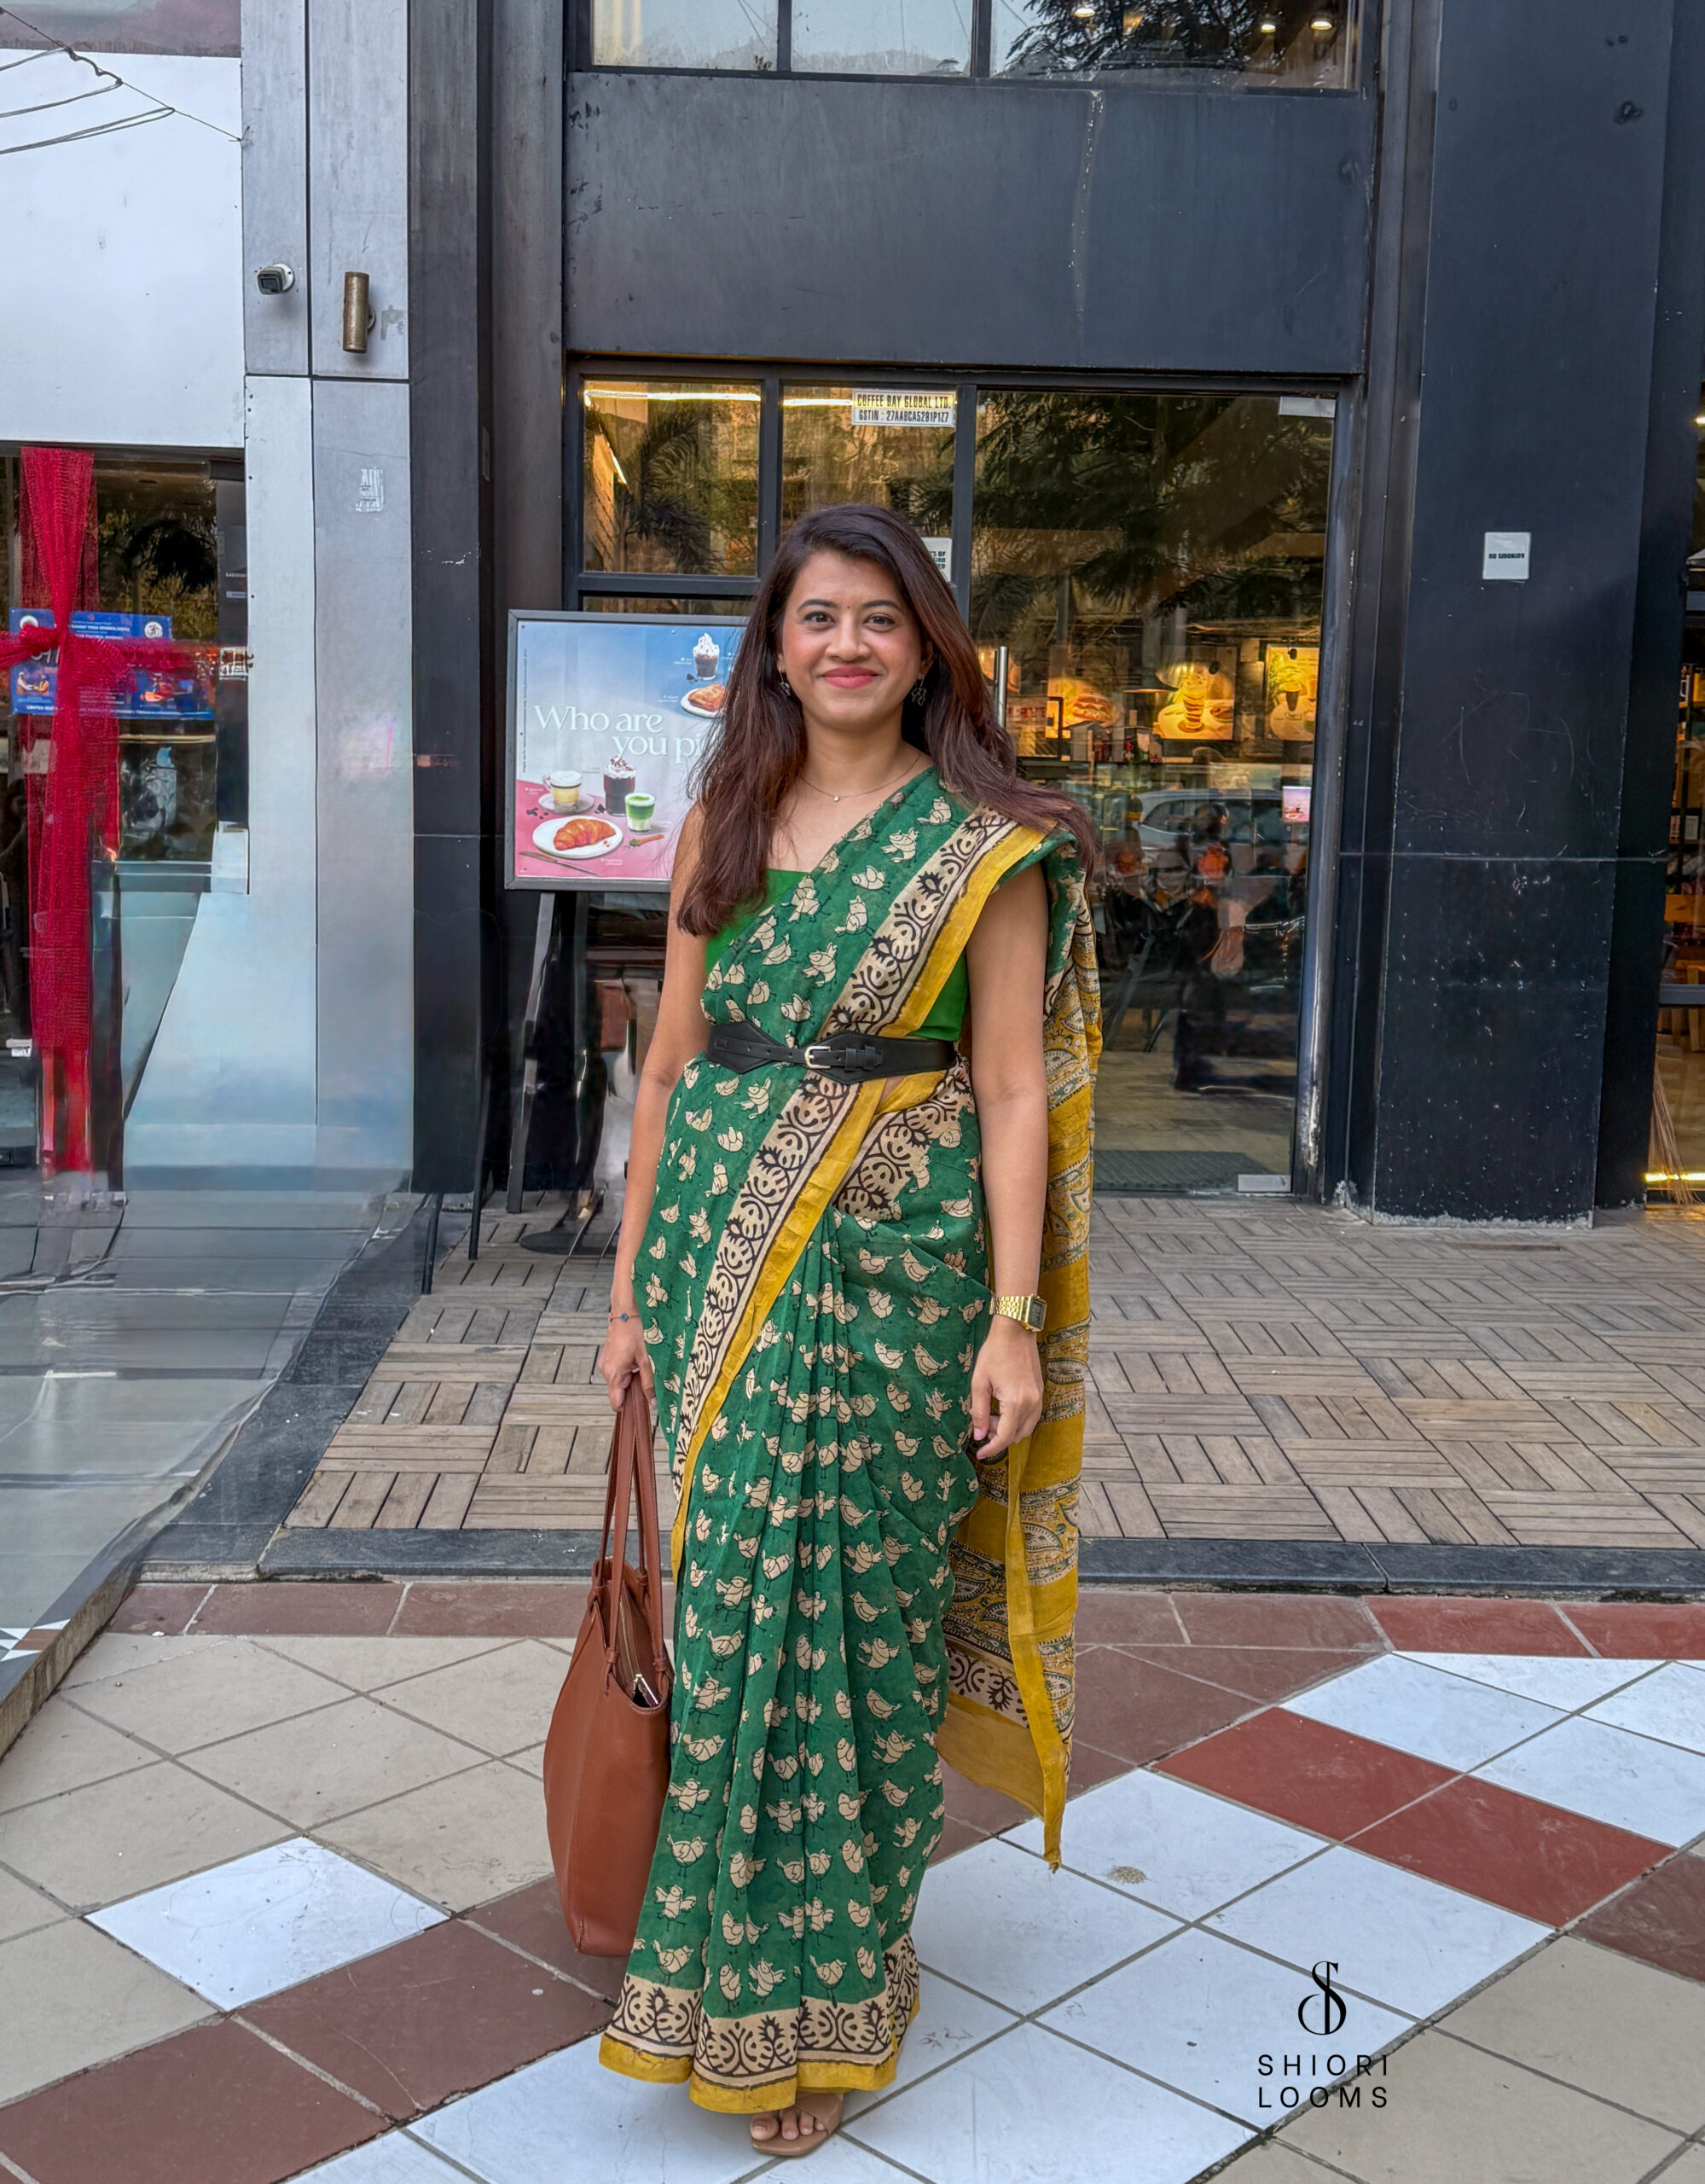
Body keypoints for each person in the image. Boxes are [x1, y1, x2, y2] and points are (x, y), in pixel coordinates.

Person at [595, 504, 1099, 2156]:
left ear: (927, 646)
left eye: (880, 618)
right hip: (710, 1276)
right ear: (774, 647)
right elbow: (668, 1067)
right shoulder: (718, 824)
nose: (847, 646)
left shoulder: (986, 843)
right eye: (817, 617)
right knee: (735, 1636)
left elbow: (1014, 1089)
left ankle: (840, 1992)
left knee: (860, 1644)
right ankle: (726, 1987)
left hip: (900, 1281)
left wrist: (1012, 1319)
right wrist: (622, 1292)